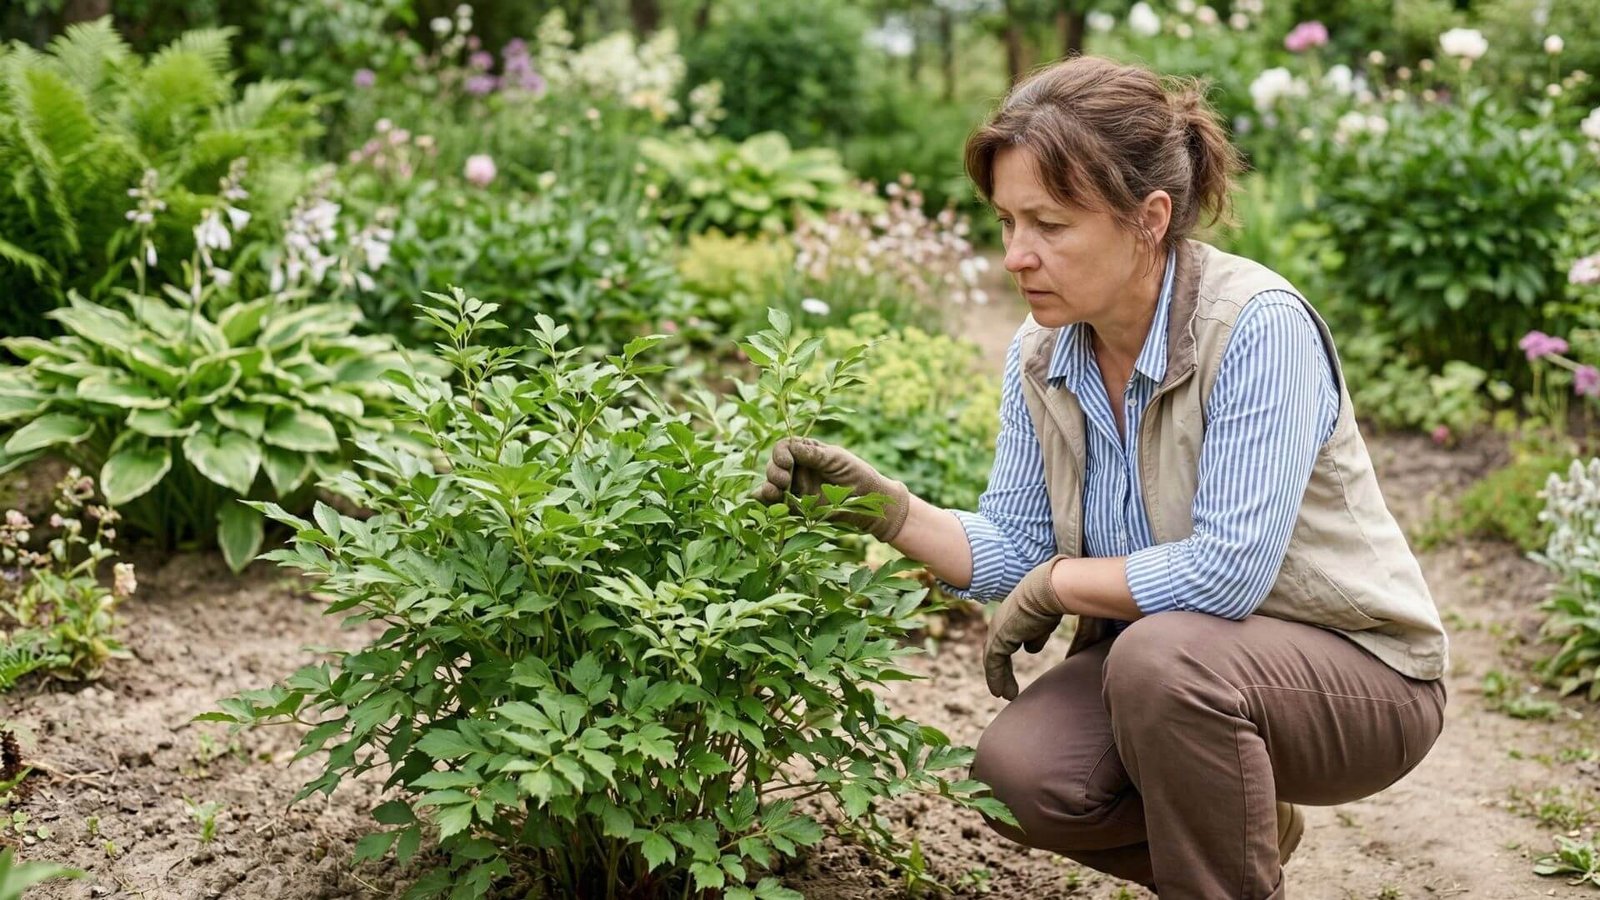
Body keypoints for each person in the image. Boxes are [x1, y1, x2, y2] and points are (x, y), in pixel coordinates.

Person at [754, 55, 1449, 899]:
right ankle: (1241, 824)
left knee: (1160, 659)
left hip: (1360, 679)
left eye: (1049, 224)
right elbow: (1015, 549)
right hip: (1184, 677)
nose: (1017, 255)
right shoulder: (1043, 354)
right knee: (1021, 776)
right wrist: (892, 513)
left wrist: (1059, 585)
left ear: (1149, 218)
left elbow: (1226, 575)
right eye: (1007, 221)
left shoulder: (1256, 328)